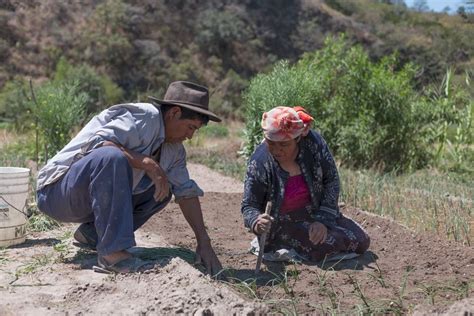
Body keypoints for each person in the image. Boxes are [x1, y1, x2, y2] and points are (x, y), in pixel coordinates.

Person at [36, 81, 223, 274]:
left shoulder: (174, 151)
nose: (190, 136)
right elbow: (100, 144)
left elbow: (186, 193)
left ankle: (91, 235)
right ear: (174, 113)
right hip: (56, 193)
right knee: (112, 157)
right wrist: (147, 163)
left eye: (195, 130)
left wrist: (204, 242)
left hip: (84, 201)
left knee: (162, 191)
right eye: (190, 127)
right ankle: (113, 256)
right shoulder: (145, 117)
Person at [241, 106, 370, 262]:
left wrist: (322, 220)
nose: (277, 150)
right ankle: (285, 245)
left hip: (316, 212)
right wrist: (257, 222)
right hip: (283, 223)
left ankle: (327, 227)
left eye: (284, 145)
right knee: (323, 246)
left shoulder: (314, 145)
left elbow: (331, 180)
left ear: (298, 139)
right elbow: (249, 205)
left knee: (362, 240)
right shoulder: (259, 162)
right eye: (271, 143)